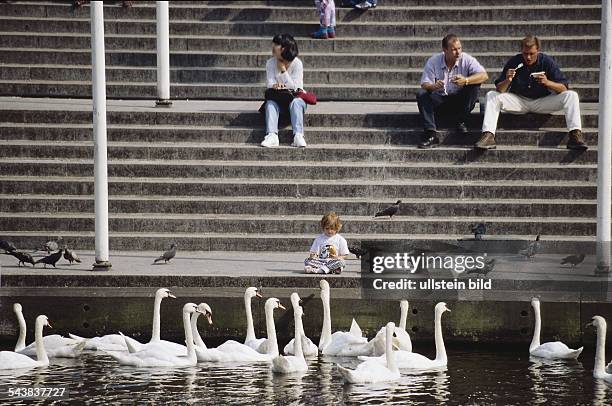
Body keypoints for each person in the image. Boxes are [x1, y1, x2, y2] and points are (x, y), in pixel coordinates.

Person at [476, 35, 587, 150]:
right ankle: (488, 135)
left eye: (532, 54)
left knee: (572, 95)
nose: (528, 57)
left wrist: (547, 82)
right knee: (491, 95)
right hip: (519, 101)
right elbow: (500, 90)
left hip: (543, 101)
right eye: (525, 53)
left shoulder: (547, 61)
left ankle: (575, 135)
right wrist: (507, 80)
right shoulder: (515, 61)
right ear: (521, 51)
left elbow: (564, 88)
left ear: (538, 51)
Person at [417, 34, 489, 148]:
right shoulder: (434, 61)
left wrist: (466, 80)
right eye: (454, 49)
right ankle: (430, 133)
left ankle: (461, 120)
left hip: (460, 101)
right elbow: (424, 84)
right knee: (422, 93)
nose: (458, 52)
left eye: (459, 48)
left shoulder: (466, 59)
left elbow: (484, 75)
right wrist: (433, 86)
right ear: (445, 50)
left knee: (474, 85)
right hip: (440, 100)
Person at [261, 34, 307, 148]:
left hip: (295, 99)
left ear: (284, 48)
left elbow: (296, 87)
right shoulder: (270, 63)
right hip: (279, 100)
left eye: (276, 44)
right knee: (270, 103)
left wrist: (283, 70)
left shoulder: (297, 63)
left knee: (296, 102)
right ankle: (272, 135)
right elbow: (270, 83)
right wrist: (277, 86)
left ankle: (298, 135)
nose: (273, 46)